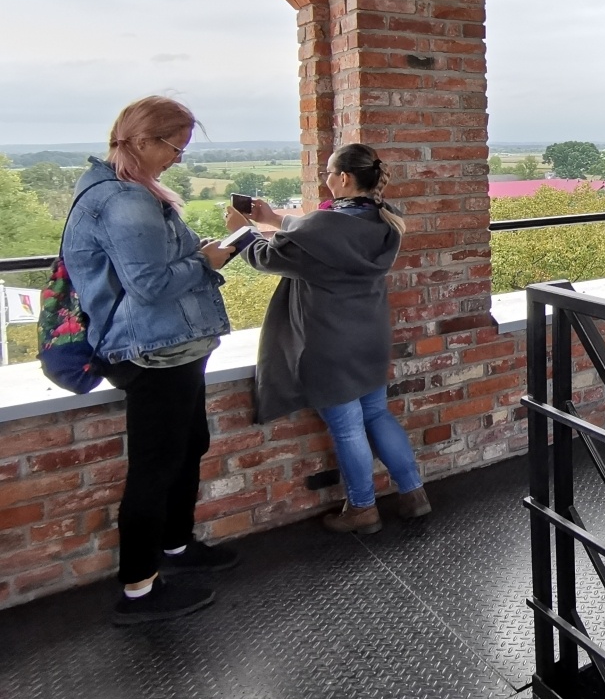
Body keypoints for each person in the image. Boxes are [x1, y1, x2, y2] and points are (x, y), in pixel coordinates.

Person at [62, 96, 237, 626]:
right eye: (174, 147)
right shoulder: (126, 201)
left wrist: (196, 255)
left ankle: (176, 546)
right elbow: (149, 284)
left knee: (188, 446)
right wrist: (207, 261)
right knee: (156, 466)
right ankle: (138, 588)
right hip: (154, 351)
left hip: (172, 347)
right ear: (142, 140)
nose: (178, 159)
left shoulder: (122, 189)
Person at [228, 144, 429, 533]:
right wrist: (272, 218)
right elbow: (318, 231)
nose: (324, 178)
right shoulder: (385, 219)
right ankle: (413, 493)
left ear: (344, 178)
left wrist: (241, 232)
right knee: (377, 414)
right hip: (370, 336)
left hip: (328, 341)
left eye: (328, 172)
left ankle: (363, 509)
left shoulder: (324, 228)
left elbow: (271, 257)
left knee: (348, 427)